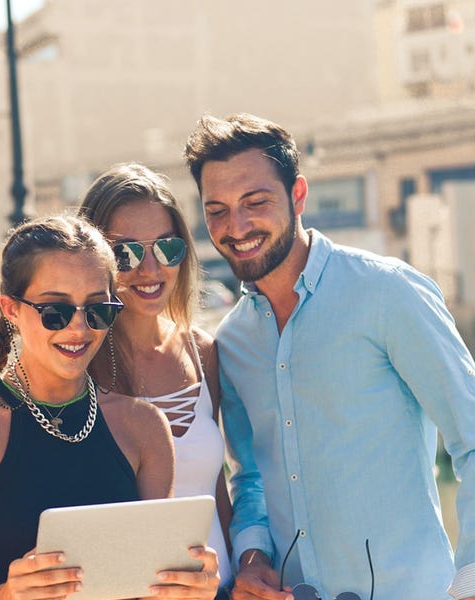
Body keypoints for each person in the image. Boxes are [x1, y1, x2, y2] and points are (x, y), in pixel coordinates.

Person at [183, 112, 475, 600]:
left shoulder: (387, 293)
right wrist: (253, 557)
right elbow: (249, 478)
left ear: (298, 195)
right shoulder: (232, 340)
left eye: (256, 202)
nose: (237, 226)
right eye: (217, 210)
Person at [0, 214, 220, 599]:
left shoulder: (144, 428)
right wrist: (8, 594)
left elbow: (153, 585)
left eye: (97, 310)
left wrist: (188, 588)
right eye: (55, 311)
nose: (78, 328)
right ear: (11, 309)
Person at [78, 162, 233, 592]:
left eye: (166, 248)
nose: (150, 269)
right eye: (125, 253)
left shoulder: (204, 353)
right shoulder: (78, 365)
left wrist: (247, 569)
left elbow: (217, 490)